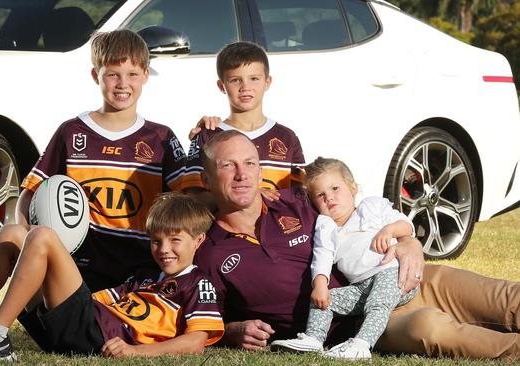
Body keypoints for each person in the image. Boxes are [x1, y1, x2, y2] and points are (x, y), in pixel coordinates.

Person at [0, 29, 187, 361]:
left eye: (131, 74)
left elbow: (188, 204)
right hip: (71, 272)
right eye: (112, 74)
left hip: (124, 287)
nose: (122, 83)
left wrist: (207, 138)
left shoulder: (160, 138)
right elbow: (30, 195)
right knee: (13, 232)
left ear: (145, 75)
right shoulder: (73, 132)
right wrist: (27, 238)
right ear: (95, 76)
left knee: (40, 237)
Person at [194, 129, 520, 360]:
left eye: (250, 163)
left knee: (507, 299)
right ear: (206, 180)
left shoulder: (297, 202)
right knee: (433, 330)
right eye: (227, 165)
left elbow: (353, 201)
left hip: (408, 275)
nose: (242, 174)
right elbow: (205, 321)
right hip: (365, 324)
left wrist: (408, 240)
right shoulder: (211, 254)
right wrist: (236, 330)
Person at [0, 192, 224, 361]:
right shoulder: (145, 276)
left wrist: (135, 351)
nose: (164, 249)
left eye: (175, 241)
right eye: (156, 241)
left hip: (96, 338)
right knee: (11, 234)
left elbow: (196, 341)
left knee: (44, 237)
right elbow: (95, 302)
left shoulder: (199, 284)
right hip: (81, 326)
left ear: (197, 241)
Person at [270, 157, 418, 359]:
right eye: (320, 195)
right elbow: (321, 256)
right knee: (325, 300)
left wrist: (389, 230)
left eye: (335, 189)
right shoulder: (326, 225)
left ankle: (361, 346)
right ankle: (313, 339)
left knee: (377, 302)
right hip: (360, 285)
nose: (329, 197)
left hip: (392, 274)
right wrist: (320, 284)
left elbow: (406, 225)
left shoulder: (371, 207)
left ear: (353, 189)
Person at [183, 42, 304, 205]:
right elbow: (194, 198)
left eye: (254, 78)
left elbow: (301, 196)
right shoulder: (207, 134)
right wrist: (248, 197)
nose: (245, 87)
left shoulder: (287, 137)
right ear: (221, 86)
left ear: (267, 82)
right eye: (235, 80)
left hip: (278, 229)